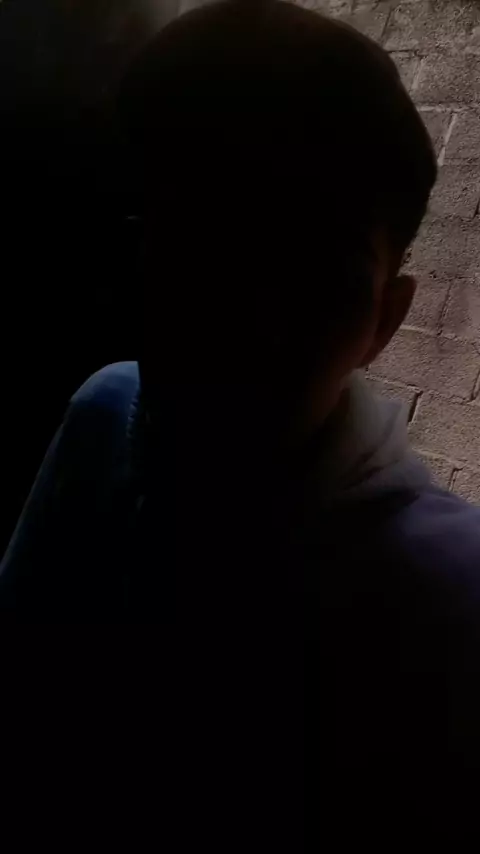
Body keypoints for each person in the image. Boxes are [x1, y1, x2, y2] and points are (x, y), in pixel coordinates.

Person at [1, 0, 480, 839]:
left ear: (386, 320)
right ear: (140, 256)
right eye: (208, 246)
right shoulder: (99, 415)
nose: (250, 321)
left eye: (317, 275)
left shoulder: (454, 608)